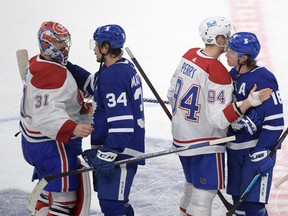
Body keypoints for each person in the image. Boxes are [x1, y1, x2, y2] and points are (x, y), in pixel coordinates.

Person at [166, 16, 272, 216]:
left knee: (190, 188)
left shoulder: (188, 55)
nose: (230, 40)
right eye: (227, 36)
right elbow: (218, 119)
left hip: (180, 137)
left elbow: (171, 94)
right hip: (204, 143)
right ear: (220, 40)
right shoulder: (219, 72)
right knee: (203, 197)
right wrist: (249, 102)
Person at [66, 24, 145, 216]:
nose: (94, 48)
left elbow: (123, 123)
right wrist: (66, 65)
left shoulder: (114, 75)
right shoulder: (120, 67)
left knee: (113, 206)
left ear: (106, 47)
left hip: (120, 150)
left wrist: (108, 151)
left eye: (97, 44)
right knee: (115, 204)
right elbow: (91, 83)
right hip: (122, 147)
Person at [20, 21, 94, 216]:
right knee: (65, 200)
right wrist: (73, 128)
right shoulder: (51, 73)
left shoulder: (39, 62)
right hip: (50, 145)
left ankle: (39, 210)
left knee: (48, 190)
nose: (66, 49)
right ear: (49, 45)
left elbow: (52, 100)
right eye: (61, 45)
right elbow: (45, 116)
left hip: (34, 142)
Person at [225, 32, 284, 216]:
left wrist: (263, 150)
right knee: (238, 204)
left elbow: (275, 120)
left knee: (253, 207)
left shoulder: (263, 78)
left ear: (244, 57)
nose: (226, 53)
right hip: (235, 149)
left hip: (254, 152)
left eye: (231, 51)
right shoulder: (232, 74)